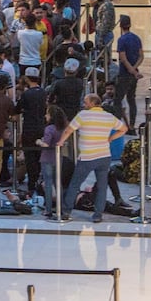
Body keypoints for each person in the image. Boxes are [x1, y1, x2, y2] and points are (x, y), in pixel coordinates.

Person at [56, 93, 127, 222]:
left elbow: (68, 130)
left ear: (91, 103)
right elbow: (123, 129)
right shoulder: (108, 117)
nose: (84, 104)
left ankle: (66, 212)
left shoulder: (83, 115)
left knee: (75, 184)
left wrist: (60, 142)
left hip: (87, 157)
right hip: (104, 156)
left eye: (86, 102)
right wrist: (110, 138)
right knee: (102, 186)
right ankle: (98, 215)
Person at [36, 105, 68, 217]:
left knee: (48, 184)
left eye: (47, 114)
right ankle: (61, 207)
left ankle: (48, 209)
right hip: (58, 158)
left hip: (47, 159)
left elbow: (46, 144)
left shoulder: (49, 129)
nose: (45, 116)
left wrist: (39, 142)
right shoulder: (63, 128)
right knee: (58, 184)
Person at [114, 15, 144, 132]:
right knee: (131, 99)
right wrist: (135, 69)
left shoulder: (121, 40)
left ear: (120, 26)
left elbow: (123, 57)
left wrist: (130, 70)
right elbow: (141, 56)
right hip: (133, 74)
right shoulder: (137, 38)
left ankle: (117, 125)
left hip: (124, 74)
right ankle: (131, 125)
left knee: (118, 100)